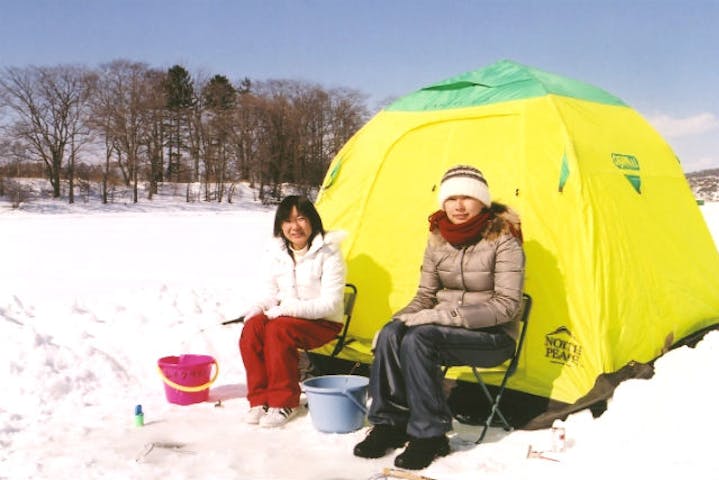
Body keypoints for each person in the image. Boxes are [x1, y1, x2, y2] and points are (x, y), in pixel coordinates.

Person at [353, 165, 525, 469]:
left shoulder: (504, 240)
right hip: (443, 331)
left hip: (493, 337)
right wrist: (396, 320)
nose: (459, 206)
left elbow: (507, 305)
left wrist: (448, 316)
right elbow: (424, 297)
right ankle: (389, 424)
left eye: (467, 197)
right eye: (451, 198)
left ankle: (430, 435)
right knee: (393, 333)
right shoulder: (437, 239)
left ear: (482, 202)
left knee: (421, 337)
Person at [239, 195, 346, 428]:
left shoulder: (329, 253)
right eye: (287, 221)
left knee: (279, 329)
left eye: (301, 219)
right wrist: (259, 308)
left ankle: (285, 401)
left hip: (323, 322)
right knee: (253, 327)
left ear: (312, 221)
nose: (294, 227)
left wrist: (288, 310)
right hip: (286, 319)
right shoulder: (276, 252)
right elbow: (270, 293)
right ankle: (260, 399)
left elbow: (331, 304)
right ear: (280, 226)